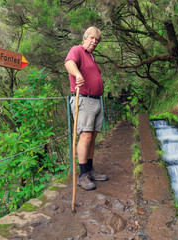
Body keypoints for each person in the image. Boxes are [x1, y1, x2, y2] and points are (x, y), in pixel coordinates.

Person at [64, 26, 108, 190]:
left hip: (96, 101)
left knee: (93, 137)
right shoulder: (77, 50)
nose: (94, 42)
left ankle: (90, 170)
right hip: (83, 99)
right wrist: (77, 75)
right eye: (92, 38)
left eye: (97, 40)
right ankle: (82, 175)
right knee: (86, 136)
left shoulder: (92, 57)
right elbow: (68, 63)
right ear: (84, 38)